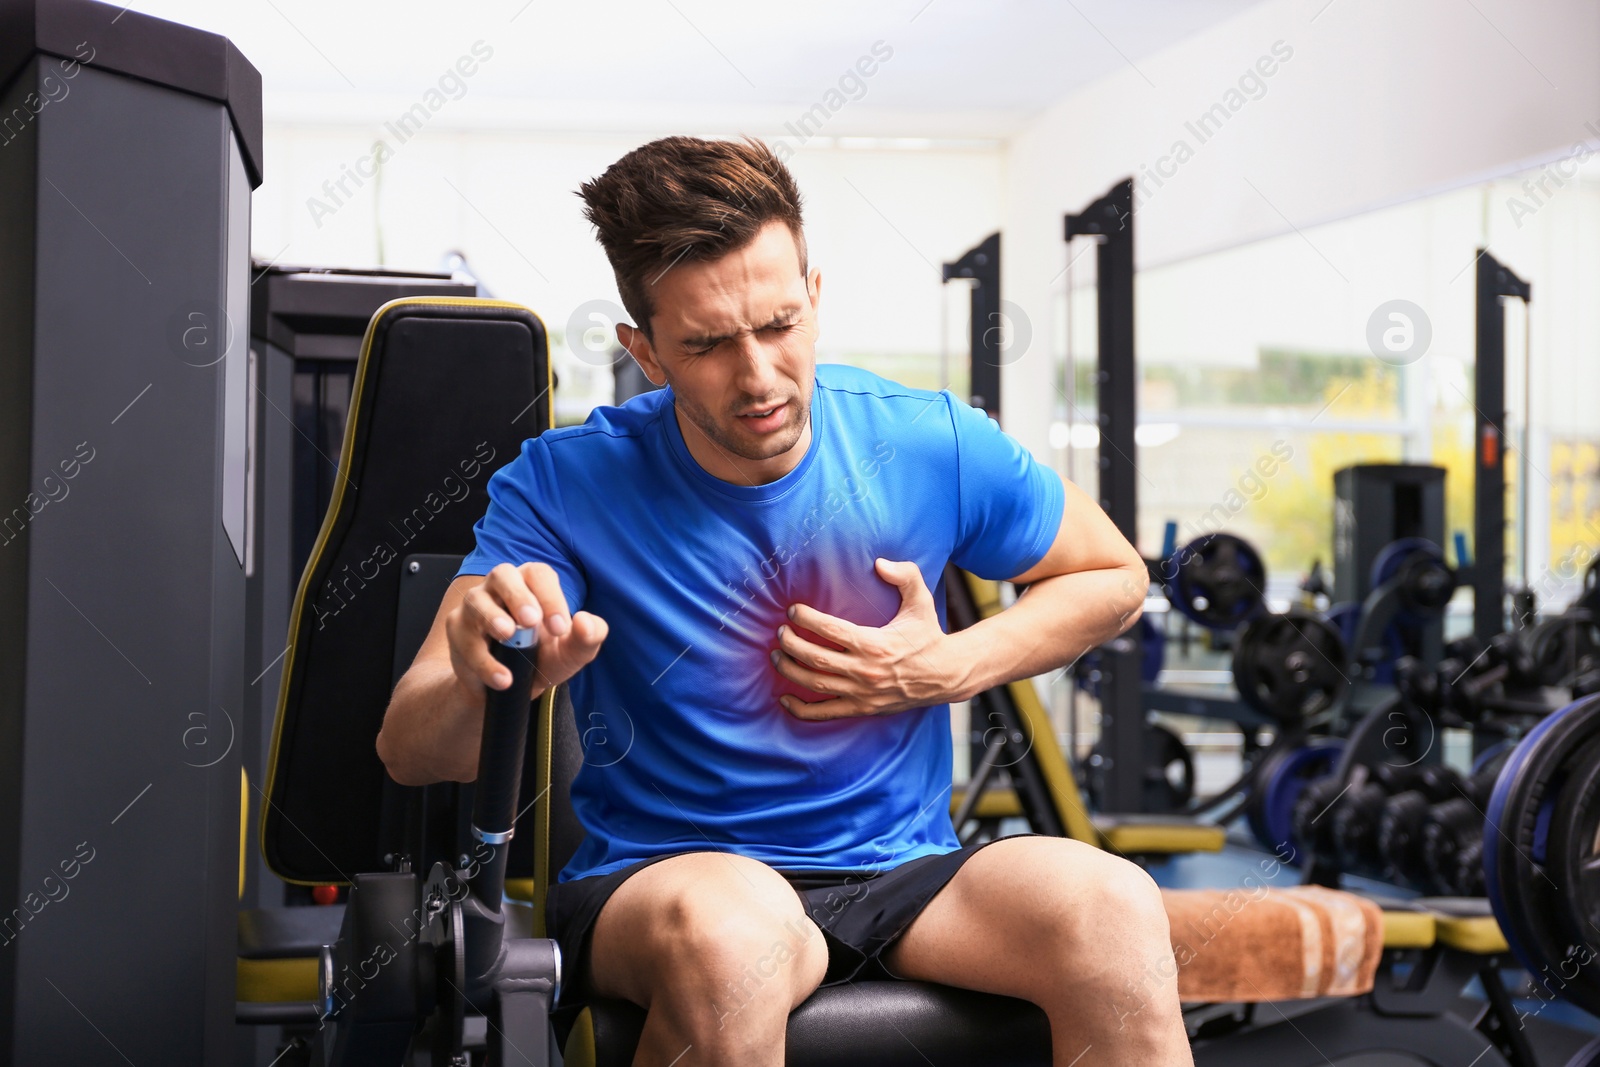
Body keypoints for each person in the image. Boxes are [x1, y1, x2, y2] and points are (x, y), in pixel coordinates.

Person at [376, 136, 1190, 1067]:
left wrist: (951, 665)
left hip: (905, 872)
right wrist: (501, 679)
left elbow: (1114, 577)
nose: (760, 376)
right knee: (740, 943)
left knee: (1115, 908)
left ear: (813, 289)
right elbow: (408, 749)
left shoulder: (926, 441)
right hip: (673, 878)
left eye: (780, 323)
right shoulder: (564, 484)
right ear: (644, 349)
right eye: (709, 344)